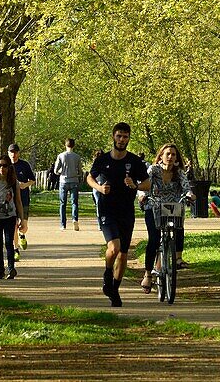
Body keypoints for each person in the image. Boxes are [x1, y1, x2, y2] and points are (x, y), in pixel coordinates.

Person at [86, 122, 150, 307]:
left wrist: (135, 186)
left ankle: (114, 288)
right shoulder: (103, 159)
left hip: (126, 211)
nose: (122, 140)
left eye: (125, 137)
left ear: (129, 138)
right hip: (107, 209)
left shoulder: (134, 162)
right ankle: (107, 272)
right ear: (113, 136)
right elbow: (89, 177)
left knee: (123, 254)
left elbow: (147, 184)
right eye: (119, 136)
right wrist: (99, 187)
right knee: (114, 248)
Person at [140, 143, 194, 293]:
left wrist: (190, 195)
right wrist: (142, 196)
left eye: (173, 154)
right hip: (154, 206)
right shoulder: (153, 170)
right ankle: (148, 274)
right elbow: (144, 185)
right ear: (161, 156)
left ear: (177, 158)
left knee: (178, 226)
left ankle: (177, 258)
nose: (170, 157)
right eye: (167, 154)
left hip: (172, 206)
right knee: (154, 238)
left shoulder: (179, 172)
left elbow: (186, 187)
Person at [8, 144, 35, 252]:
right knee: (13, 225)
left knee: (23, 227)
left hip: (23, 198)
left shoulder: (24, 165)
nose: (13, 154)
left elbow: (32, 180)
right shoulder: (5, 166)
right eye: (11, 152)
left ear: (18, 153)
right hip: (10, 199)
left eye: (15, 152)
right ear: (8, 153)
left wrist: (25, 185)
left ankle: (22, 235)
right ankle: (15, 249)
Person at [53, 138, 83, 231]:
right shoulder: (77, 157)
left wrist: (61, 172)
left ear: (65, 145)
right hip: (74, 181)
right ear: (73, 145)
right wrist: (77, 175)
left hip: (63, 181)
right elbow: (80, 171)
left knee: (63, 203)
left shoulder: (61, 156)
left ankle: (63, 224)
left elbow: (55, 171)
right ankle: (75, 219)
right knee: (74, 202)